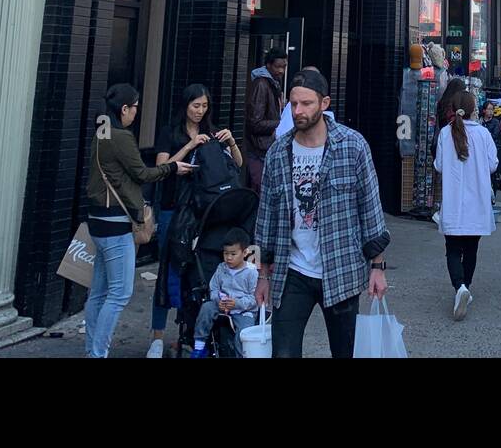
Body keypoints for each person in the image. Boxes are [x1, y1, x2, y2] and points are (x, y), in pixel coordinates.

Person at [255, 70, 389, 358]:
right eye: (293, 104)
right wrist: (262, 275)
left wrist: (377, 267)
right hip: (292, 272)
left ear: (324, 103)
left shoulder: (352, 146)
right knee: (283, 353)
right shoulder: (278, 152)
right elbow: (264, 217)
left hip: (341, 267)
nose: (298, 111)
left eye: (306, 103)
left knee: (343, 352)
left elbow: (370, 207)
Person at [86, 83, 192, 358]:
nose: (136, 113)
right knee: (119, 293)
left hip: (97, 220)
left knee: (98, 292)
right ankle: (98, 353)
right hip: (116, 222)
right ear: (124, 109)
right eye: (134, 108)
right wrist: (172, 168)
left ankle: (92, 351)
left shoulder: (102, 132)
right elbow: (142, 174)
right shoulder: (120, 137)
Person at [147, 84, 241, 358]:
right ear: (185, 105)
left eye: (204, 106)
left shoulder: (213, 133)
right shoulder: (170, 132)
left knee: (195, 274)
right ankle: (157, 336)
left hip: (201, 211)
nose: (200, 111)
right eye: (195, 105)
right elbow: (159, 168)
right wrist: (189, 146)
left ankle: (188, 333)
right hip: (172, 208)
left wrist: (231, 141)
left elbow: (236, 165)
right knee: (168, 270)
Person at [434, 86, 498, 320]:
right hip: (477, 203)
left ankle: (459, 287)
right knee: (471, 248)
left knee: (452, 248)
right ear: (474, 110)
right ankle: (465, 287)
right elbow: (493, 164)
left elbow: (439, 166)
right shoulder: (483, 134)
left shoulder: (445, 133)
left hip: (453, 203)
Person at [188, 227, 259, 357]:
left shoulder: (251, 272)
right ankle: (199, 346)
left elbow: (254, 299)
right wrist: (217, 300)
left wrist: (237, 303)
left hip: (244, 310)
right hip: (222, 304)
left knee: (244, 333)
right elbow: (213, 288)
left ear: (244, 253)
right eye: (226, 253)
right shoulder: (221, 268)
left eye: (233, 254)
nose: (229, 258)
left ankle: (241, 355)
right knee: (206, 307)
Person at [244, 47, 287, 191]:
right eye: (278, 66)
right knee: (261, 189)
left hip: (266, 147)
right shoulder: (262, 84)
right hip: (260, 148)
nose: (281, 70)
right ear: (268, 65)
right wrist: (281, 124)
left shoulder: (272, 83)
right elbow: (255, 123)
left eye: (284, 66)